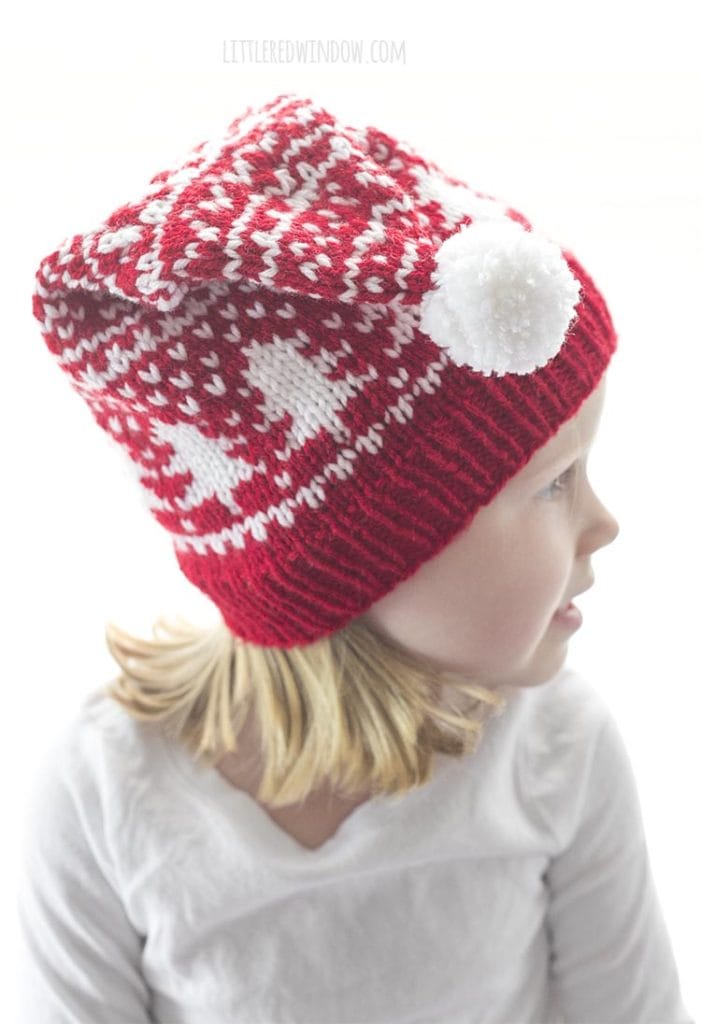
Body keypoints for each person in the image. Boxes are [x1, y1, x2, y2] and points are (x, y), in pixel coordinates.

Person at [17, 92, 694, 1023]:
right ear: (370, 551)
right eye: (553, 483)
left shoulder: (556, 748)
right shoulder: (107, 796)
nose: (603, 522)